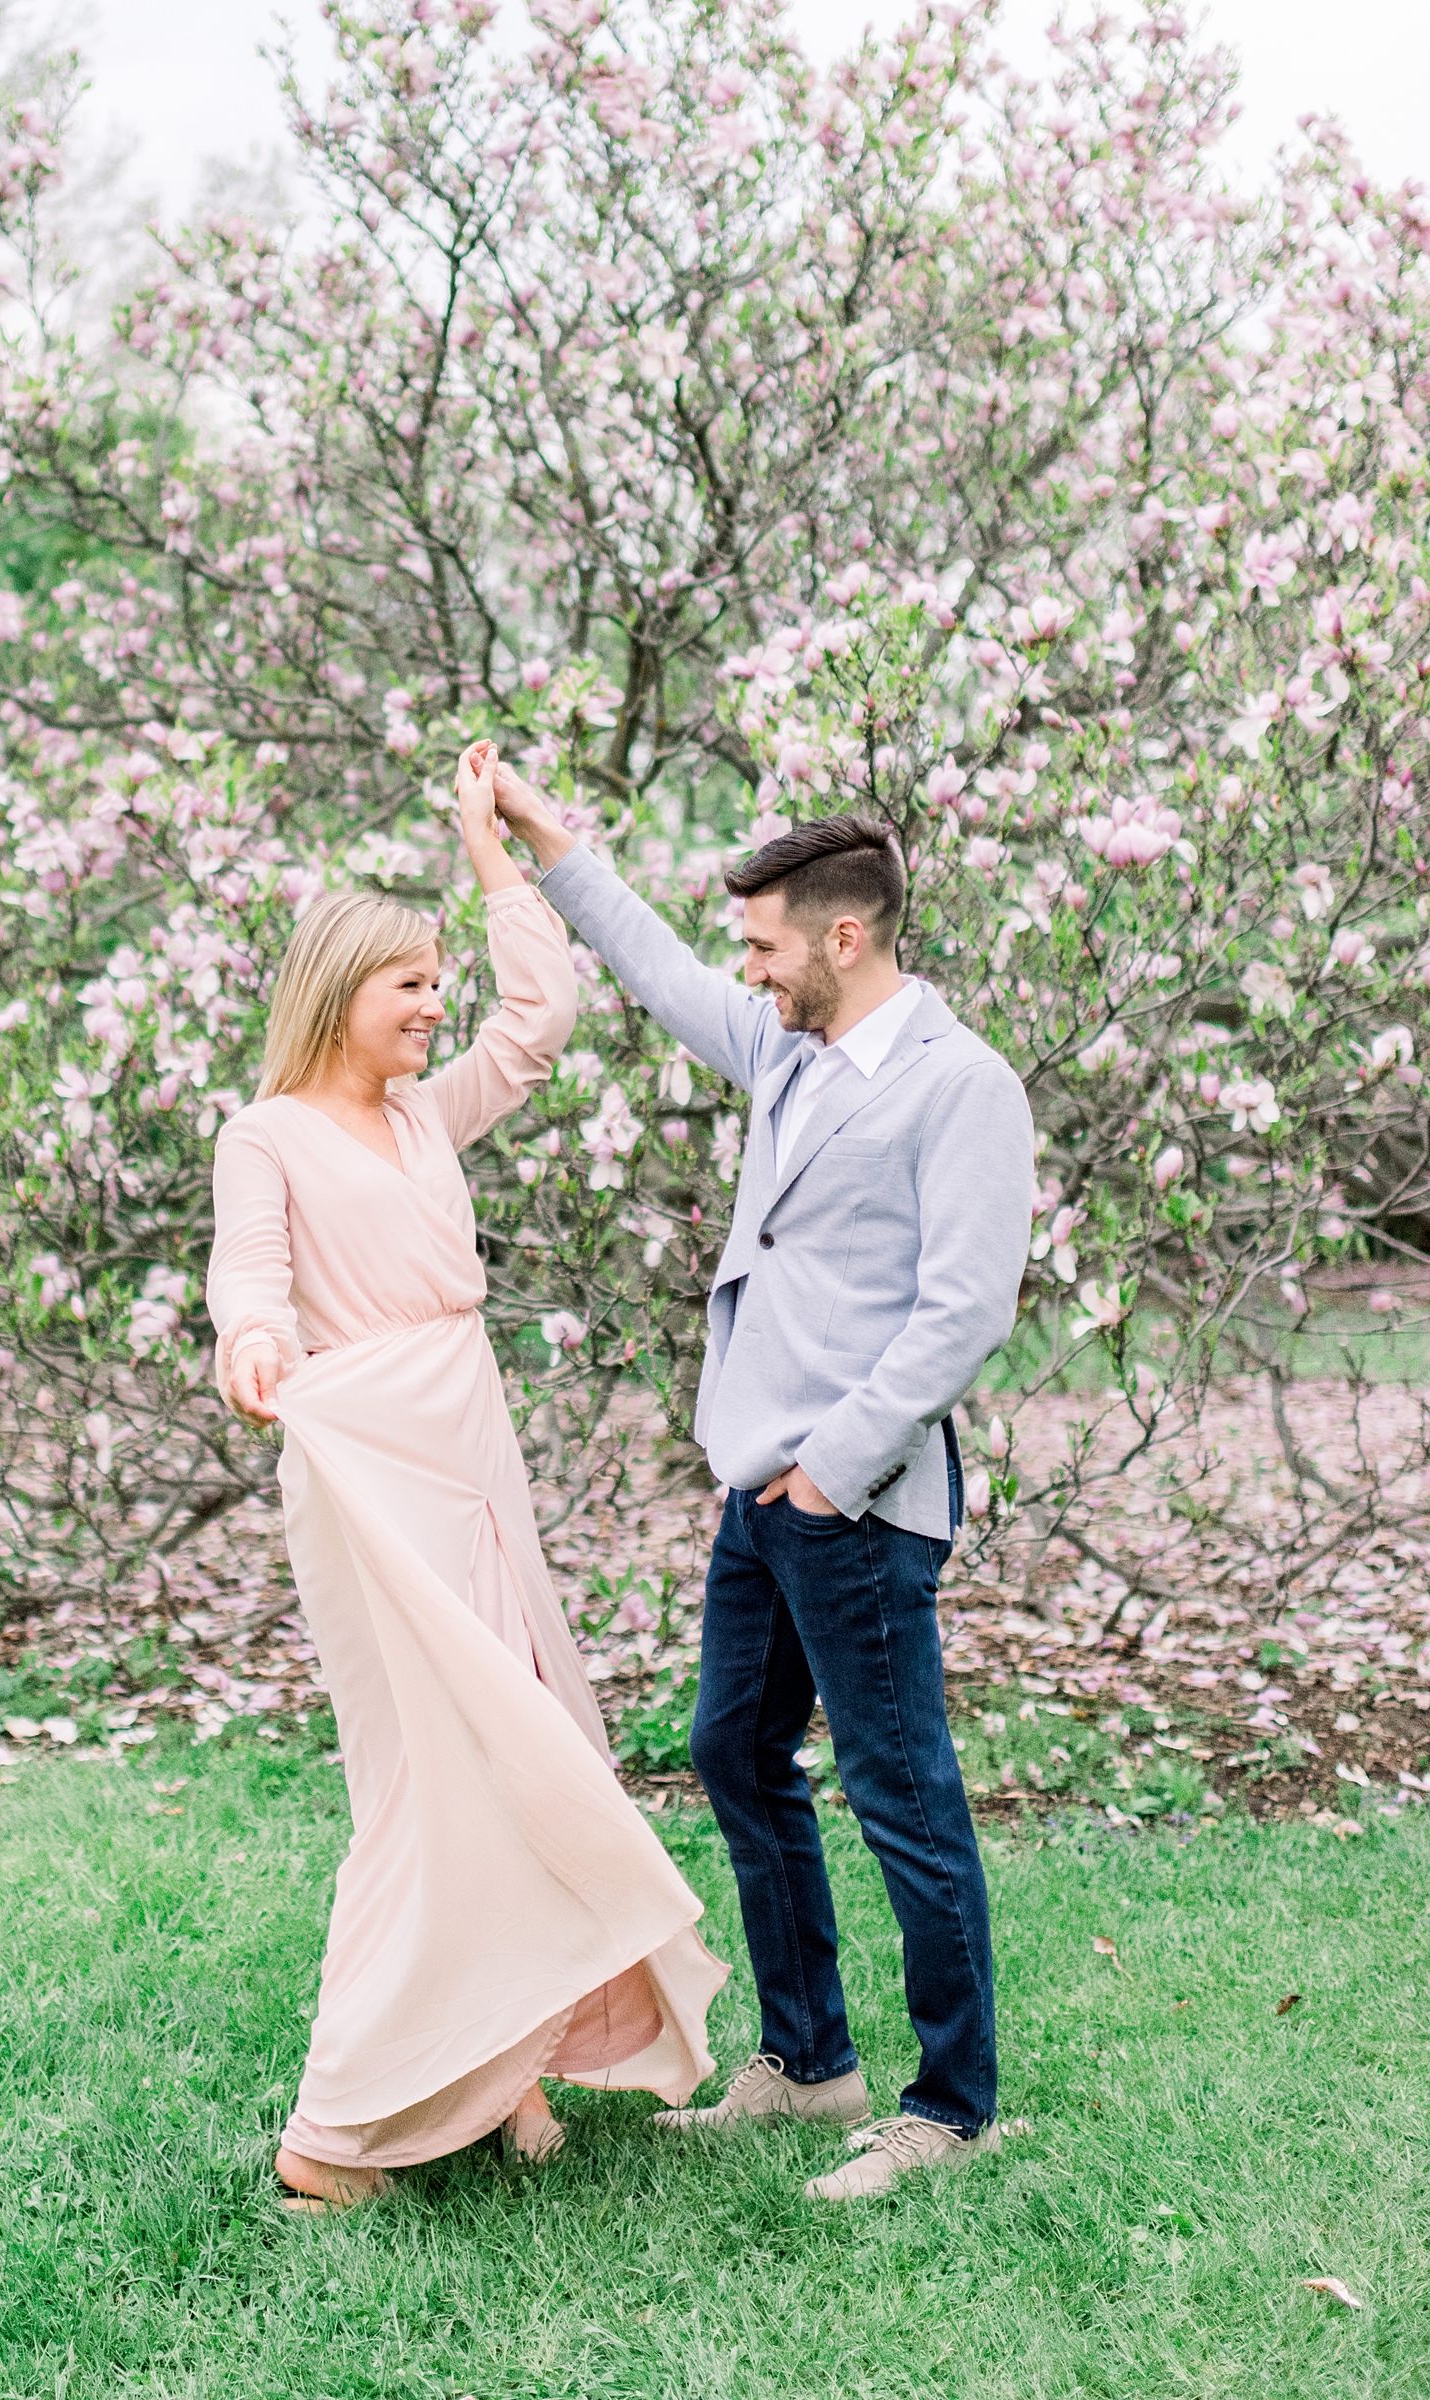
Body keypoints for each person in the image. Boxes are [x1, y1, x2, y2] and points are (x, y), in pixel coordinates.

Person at [490, 765, 1034, 2203]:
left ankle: (952, 2105)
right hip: (760, 1491)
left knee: (901, 1792)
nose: (748, 968)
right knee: (732, 1749)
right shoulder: (788, 1051)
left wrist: (832, 1470)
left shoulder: (958, 1085)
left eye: (766, 945)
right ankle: (807, 2064)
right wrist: (548, 843)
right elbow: (661, 969)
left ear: (843, 939)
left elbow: (964, 1310)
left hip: (855, 1500)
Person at [206, 740, 726, 2209]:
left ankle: (503, 2071)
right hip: (370, 1469)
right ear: (337, 997)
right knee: (428, 1783)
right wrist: (250, 1341)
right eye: (409, 989)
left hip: (469, 1456)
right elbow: (248, 1274)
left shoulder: (428, 1116)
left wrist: (494, 853)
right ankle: (338, 2133)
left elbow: (542, 1009)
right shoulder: (269, 1137)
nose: (437, 1010)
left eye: (440, 984)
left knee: (528, 1745)